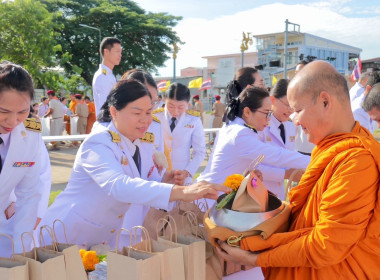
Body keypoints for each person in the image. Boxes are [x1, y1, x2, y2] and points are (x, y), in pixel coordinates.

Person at [216, 61, 380, 280]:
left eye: (299, 110)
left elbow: (326, 246)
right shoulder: (330, 148)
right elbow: (306, 218)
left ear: (325, 101)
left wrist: (255, 258)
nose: (294, 119)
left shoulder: (356, 160)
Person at [40, 79, 229, 249]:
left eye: (148, 112)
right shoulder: (98, 143)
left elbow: (142, 179)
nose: (145, 120)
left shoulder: (139, 143)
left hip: (102, 238)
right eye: (137, 113)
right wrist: (182, 192)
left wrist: (165, 179)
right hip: (67, 234)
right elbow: (118, 185)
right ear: (114, 111)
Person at [198, 86, 309, 186]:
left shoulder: (235, 127)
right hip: (210, 201)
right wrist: (317, 160)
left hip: (214, 195)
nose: (269, 118)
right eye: (266, 113)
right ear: (247, 112)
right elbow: (278, 156)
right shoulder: (240, 134)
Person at [0, 62, 51, 257]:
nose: (13, 122)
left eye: (22, 112)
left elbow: (28, 196)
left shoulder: (29, 135)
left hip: (5, 235)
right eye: (3, 111)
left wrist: (22, 255)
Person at [153, 83, 206, 185]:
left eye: (181, 107)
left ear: (187, 103)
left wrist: (187, 172)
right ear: (164, 99)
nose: (175, 111)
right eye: (171, 106)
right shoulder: (155, 117)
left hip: (182, 176)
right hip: (158, 176)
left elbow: (200, 151)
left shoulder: (193, 120)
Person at [259, 79, 300, 199]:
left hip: (279, 194)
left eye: (294, 106)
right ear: (272, 100)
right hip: (259, 192)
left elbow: (289, 157)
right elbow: (254, 166)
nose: (291, 110)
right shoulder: (260, 126)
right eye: (288, 105)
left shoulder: (290, 126)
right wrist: (286, 174)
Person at [121, 69, 164, 153]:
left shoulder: (156, 125)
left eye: (153, 102)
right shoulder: (111, 127)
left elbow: (160, 159)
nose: (151, 106)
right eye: (146, 101)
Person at [92, 37, 122, 116]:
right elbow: (106, 108)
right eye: (117, 51)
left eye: (121, 52)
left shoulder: (109, 75)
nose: (120, 55)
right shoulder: (102, 76)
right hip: (106, 123)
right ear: (106, 52)